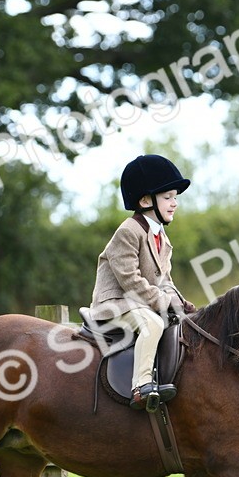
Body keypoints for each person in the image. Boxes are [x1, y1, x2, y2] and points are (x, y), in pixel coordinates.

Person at [87, 154, 196, 411]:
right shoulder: (128, 231)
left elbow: (165, 280)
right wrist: (162, 301)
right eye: (168, 197)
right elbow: (131, 281)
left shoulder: (162, 237)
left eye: (175, 197)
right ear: (146, 200)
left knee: (179, 321)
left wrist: (180, 303)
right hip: (115, 305)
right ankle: (141, 385)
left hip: (139, 303)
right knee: (153, 323)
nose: (174, 203)